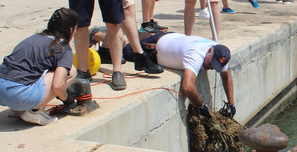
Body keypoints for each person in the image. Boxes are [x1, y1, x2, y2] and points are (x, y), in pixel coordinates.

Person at [92, 28, 235, 118]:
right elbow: (188, 86)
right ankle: (97, 35)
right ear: (209, 51)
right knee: (124, 48)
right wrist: (201, 106)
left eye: (214, 66)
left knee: (140, 37)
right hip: (155, 48)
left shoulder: (218, 50)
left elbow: (226, 75)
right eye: (210, 63)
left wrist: (231, 103)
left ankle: (134, 33)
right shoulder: (196, 55)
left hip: (172, 38)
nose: (210, 67)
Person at [0, 8, 78, 126]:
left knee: (36, 70)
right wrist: (67, 99)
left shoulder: (33, 39)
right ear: (71, 29)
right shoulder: (63, 48)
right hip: (17, 95)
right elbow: (58, 85)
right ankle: (34, 111)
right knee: (70, 70)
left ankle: (18, 109)